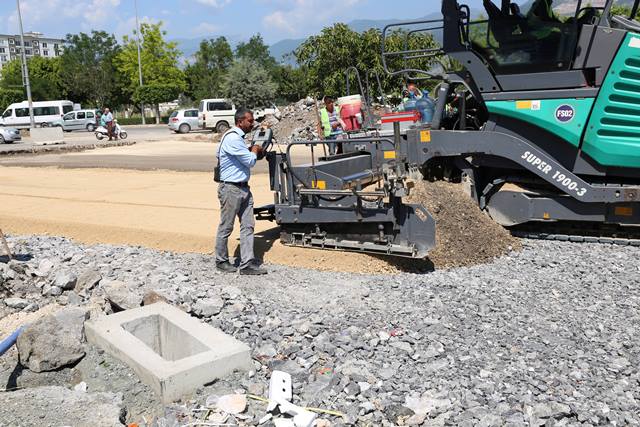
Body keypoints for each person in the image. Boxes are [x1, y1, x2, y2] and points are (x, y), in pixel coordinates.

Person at [215, 108, 267, 275]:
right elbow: (250, 161)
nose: (252, 124)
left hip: (243, 187)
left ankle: (246, 264)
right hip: (231, 188)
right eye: (250, 121)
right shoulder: (233, 139)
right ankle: (221, 261)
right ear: (240, 122)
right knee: (226, 226)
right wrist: (255, 149)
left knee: (248, 225)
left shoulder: (236, 138)